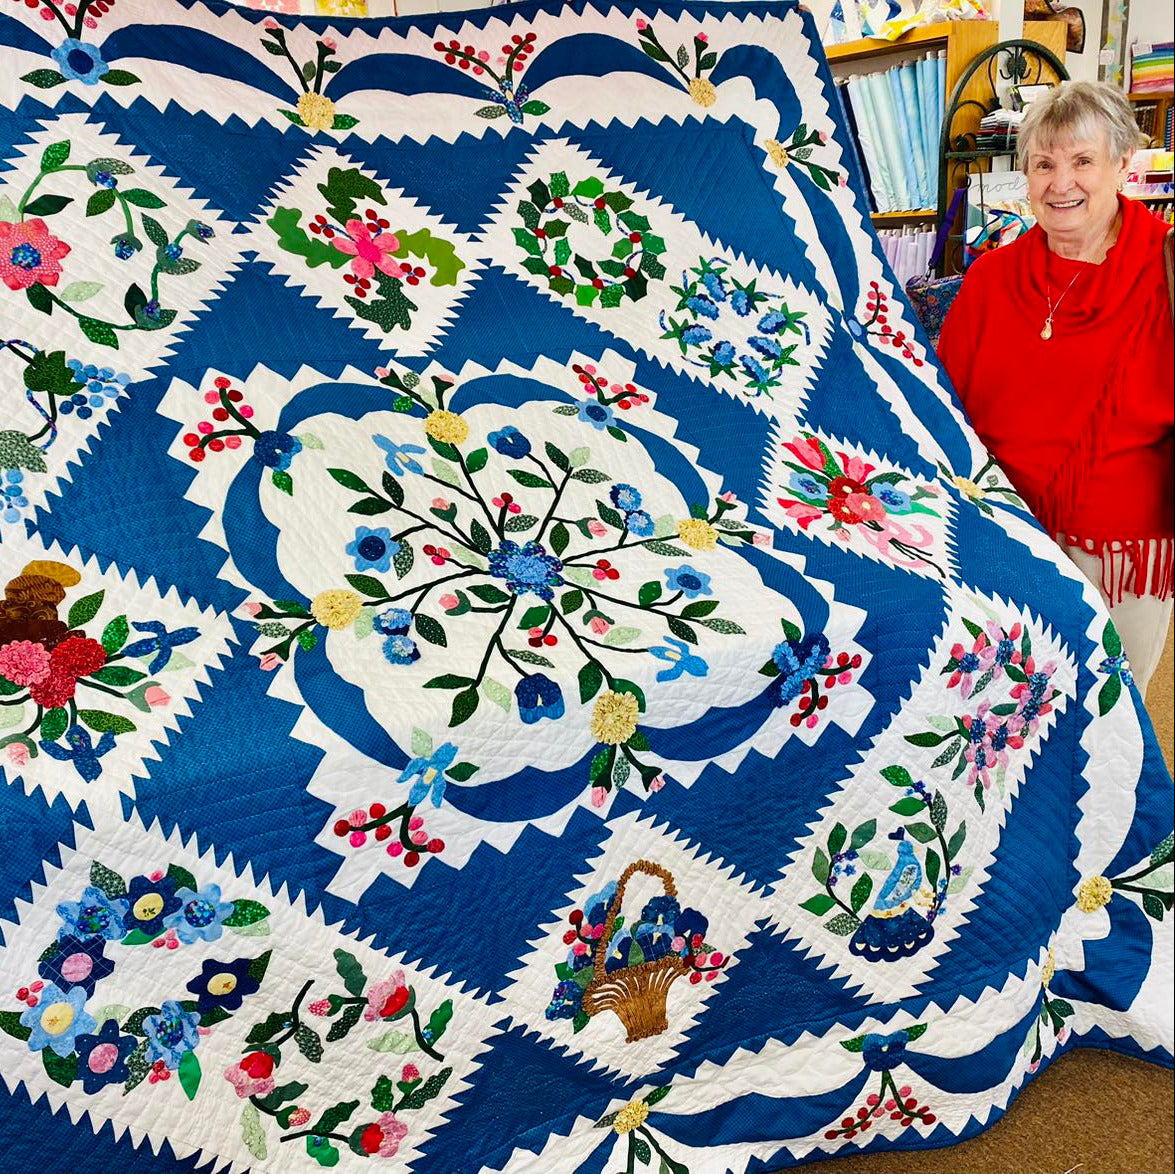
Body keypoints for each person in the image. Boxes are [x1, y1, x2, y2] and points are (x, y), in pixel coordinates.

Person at [939, 80, 1174, 694]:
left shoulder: (1165, 270)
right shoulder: (991, 277)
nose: (1060, 182)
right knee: (1011, 711)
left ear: (1124, 165)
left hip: (1121, 547)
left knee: (1111, 714)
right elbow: (943, 403)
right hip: (1003, 539)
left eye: (1083, 161)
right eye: (1043, 164)